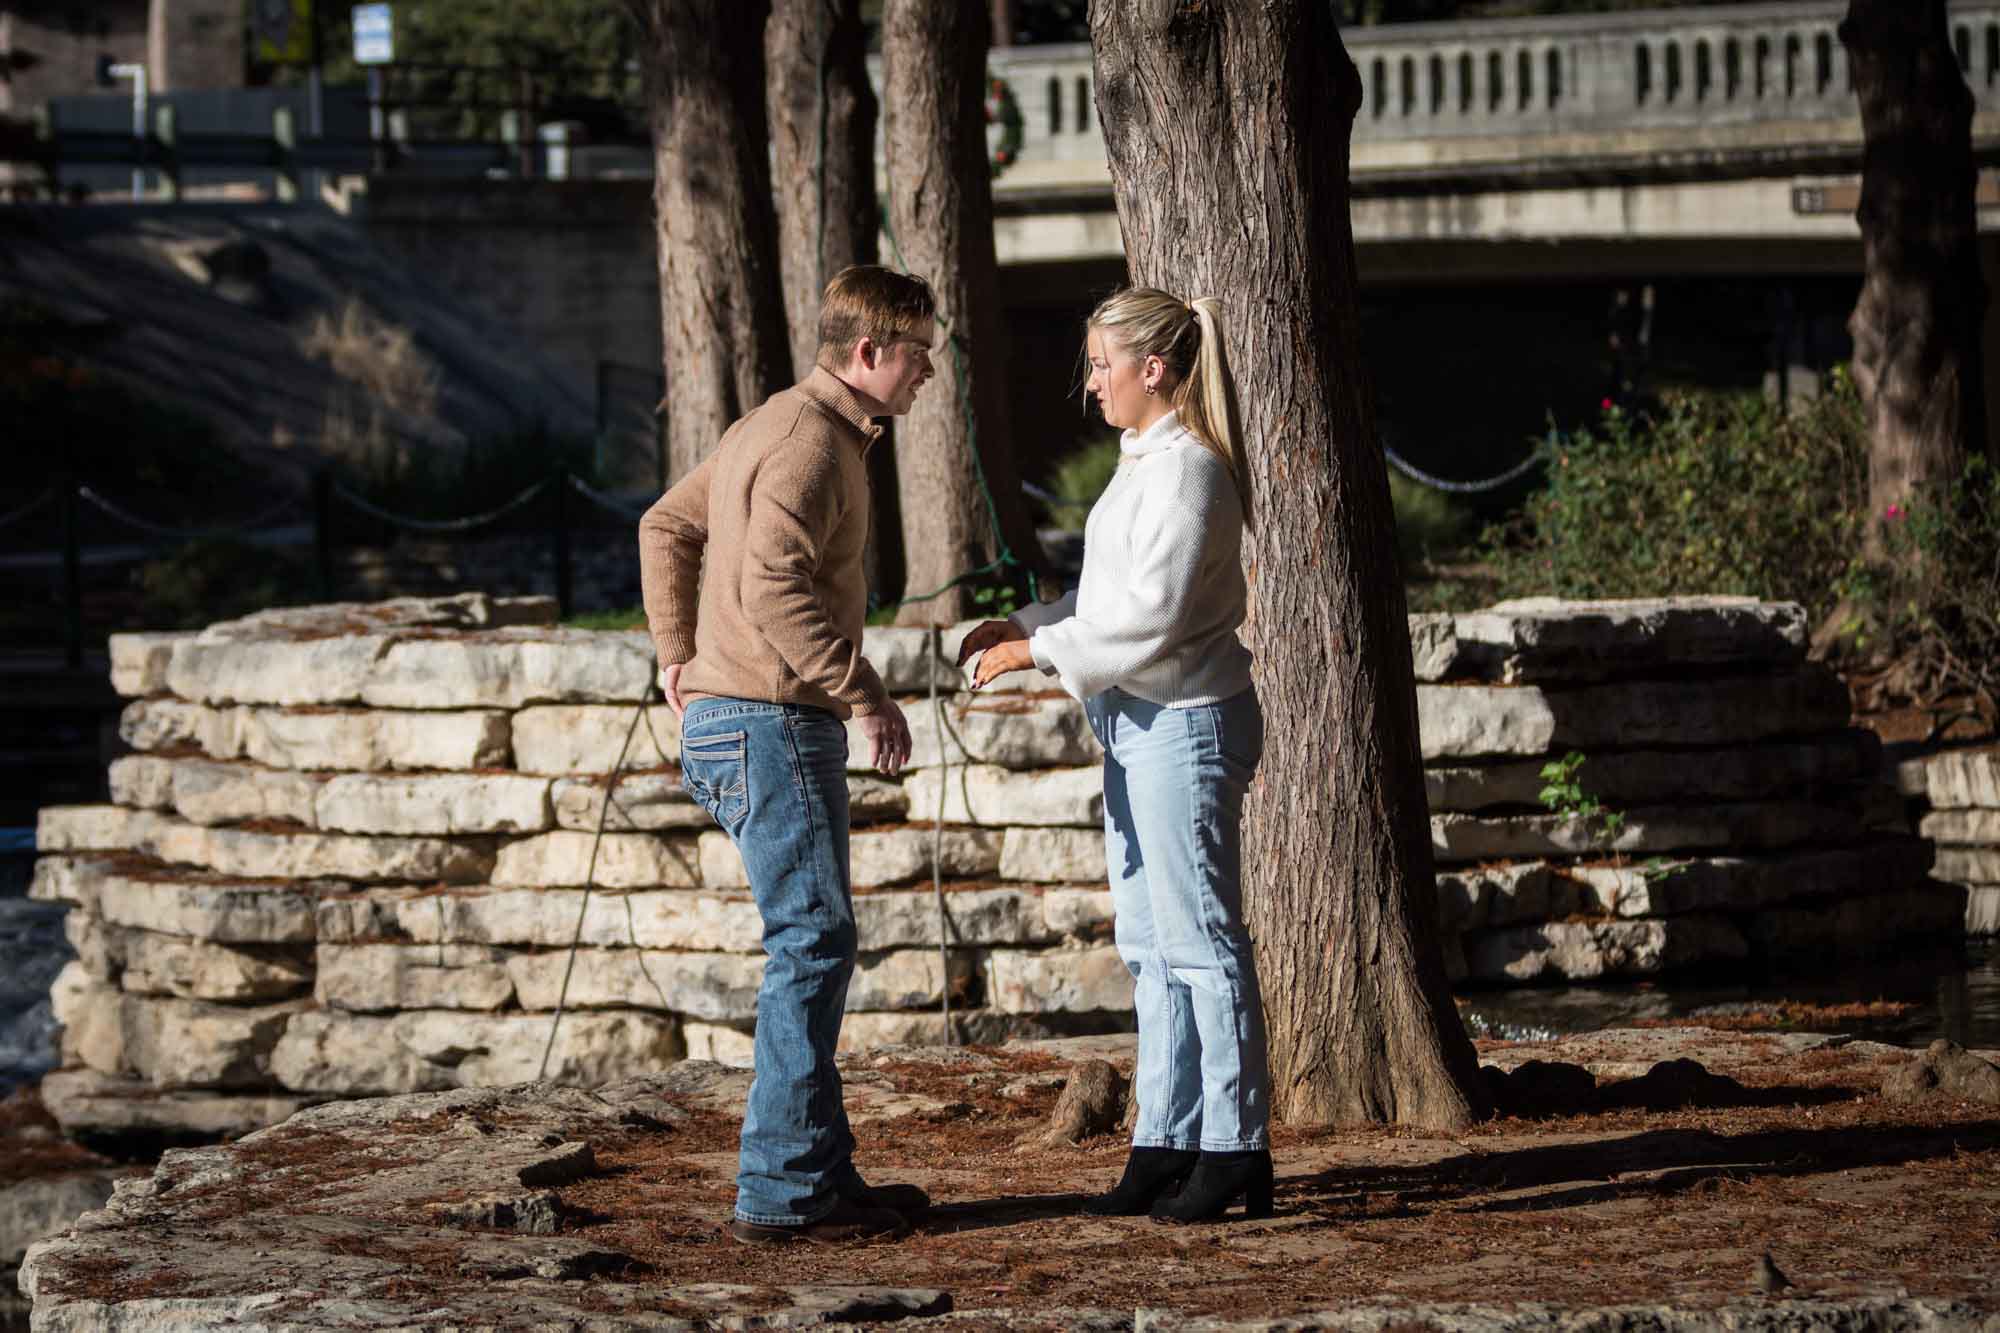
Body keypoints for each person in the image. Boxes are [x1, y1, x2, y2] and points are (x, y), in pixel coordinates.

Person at [957, 287, 1272, 1224]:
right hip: (1137, 725)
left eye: (1102, 364)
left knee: (1203, 947)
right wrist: (1020, 621)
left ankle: (1237, 1147)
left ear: (1155, 369)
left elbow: (1155, 616)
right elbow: (1105, 599)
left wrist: (1033, 651)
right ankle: (1165, 1138)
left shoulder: (1191, 474)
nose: (1090, 382)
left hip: (1186, 725)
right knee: (1149, 949)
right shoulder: (1143, 465)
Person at [638, 265, 935, 1245]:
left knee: (814, 939)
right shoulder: (808, 444)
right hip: (769, 722)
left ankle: (817, 1174)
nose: (926, 376)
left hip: (741, 719)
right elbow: (772, 587)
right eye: (918, 357)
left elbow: (665, 526)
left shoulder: (768, 423)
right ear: (869, 355)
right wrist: (865, 693)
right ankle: (780, 1191)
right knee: (811, 942)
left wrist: (677, 652)